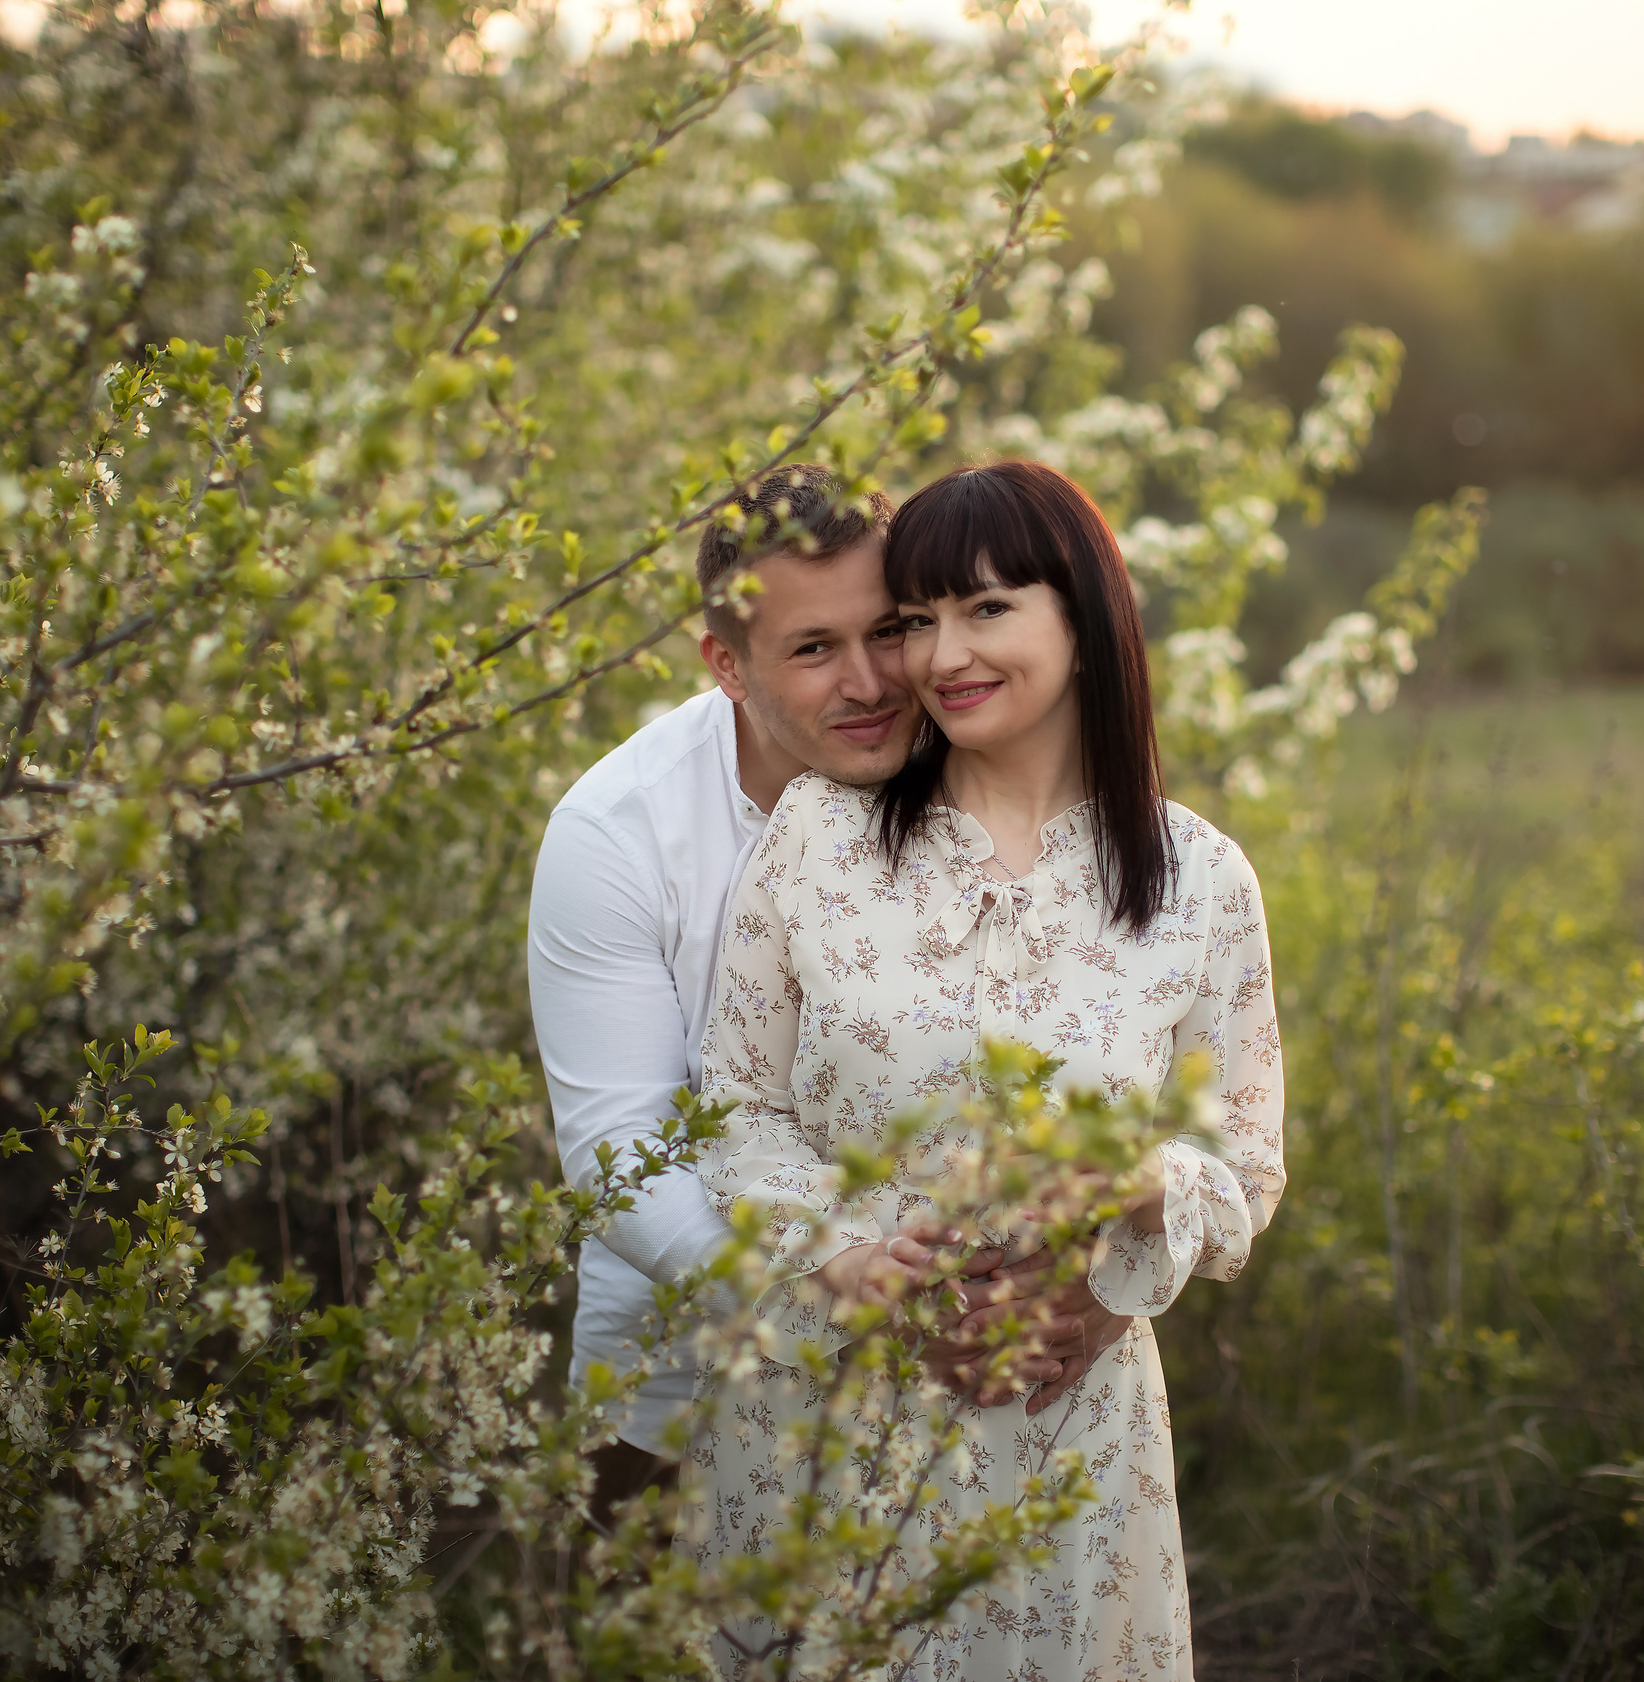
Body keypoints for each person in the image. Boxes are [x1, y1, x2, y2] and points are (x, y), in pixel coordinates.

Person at [685, 460, 1286, 1678]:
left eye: (986, 609)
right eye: (917, 619)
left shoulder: (1199, 882)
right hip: (828, 1412)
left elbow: (1245, 1165)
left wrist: (1136, 1194)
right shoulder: (820, 837)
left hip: (1066, 1438)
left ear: (1083, 614)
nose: (941, 656)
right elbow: (734, 1106)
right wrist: (845, 1258)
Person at [527, 464, 1122, 1522]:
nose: (872, 682)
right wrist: (853, 1295)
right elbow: (621, 1157)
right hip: (681, 1394)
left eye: (888, 630)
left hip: (978, 1409)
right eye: (813, 649)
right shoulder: (616, 833)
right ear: (727, 664)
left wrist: (1092, 1284)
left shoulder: (984, 762)